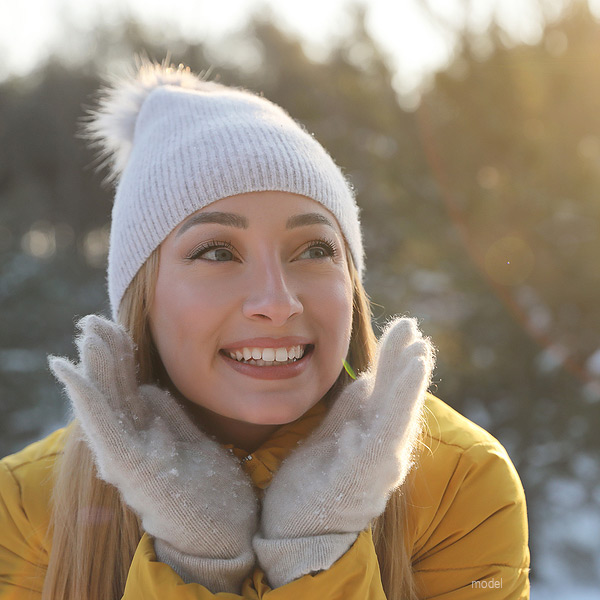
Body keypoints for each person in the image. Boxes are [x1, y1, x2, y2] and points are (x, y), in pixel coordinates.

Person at [0, 60, 530, 599]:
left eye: (316, 249)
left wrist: (317, 549)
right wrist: (194, 558)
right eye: (216, 252)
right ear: (143, 300)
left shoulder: (459, 482)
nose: (277, 302)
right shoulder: (23, 507)